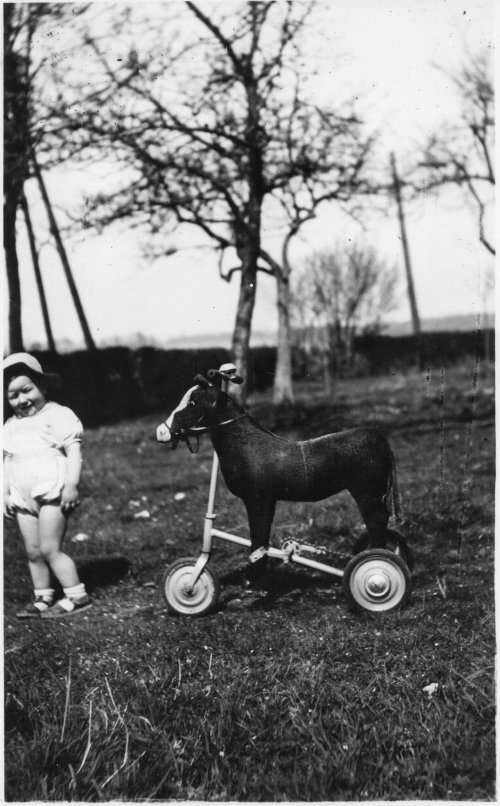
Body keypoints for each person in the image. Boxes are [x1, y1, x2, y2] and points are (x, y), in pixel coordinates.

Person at [3, 353, 91, 619]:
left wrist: (71, 485)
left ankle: (76, 595)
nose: (22, 400)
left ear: (42, 386)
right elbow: (7, 461)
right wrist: (4, 494)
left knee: (49, 548)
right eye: (13, 395)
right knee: (33, 551)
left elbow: (73, 452)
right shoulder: (10, 426)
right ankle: (43, 596)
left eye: (27, 390)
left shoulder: (58, 415)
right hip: (22, 495)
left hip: (52, 491)